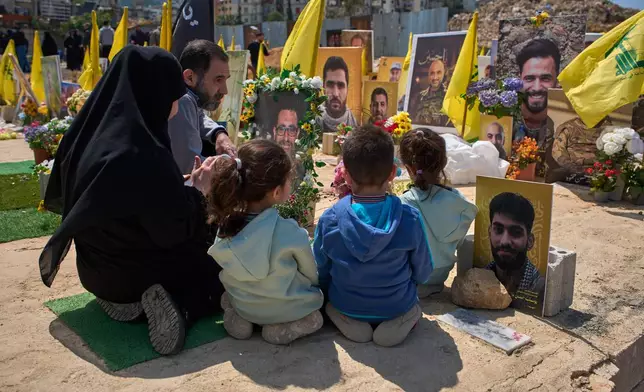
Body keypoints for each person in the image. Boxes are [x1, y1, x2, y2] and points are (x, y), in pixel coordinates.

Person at [38, 46, 225, 356]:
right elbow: (174, 230)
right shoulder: (146, 153)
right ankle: (181, 306)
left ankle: (129, 302)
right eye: (174, 95)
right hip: (134, 277)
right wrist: (199, 191)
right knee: (224, 267)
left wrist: (178, 187)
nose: (176, 106)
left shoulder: (89, 136)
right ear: (156, 92)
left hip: (95, 271)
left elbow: (130, 199)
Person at [313, 125, 432, 347]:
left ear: (346, 175)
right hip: (396, 305)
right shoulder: (409, 218)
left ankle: (347, 318)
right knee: (411, 304)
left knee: (333, 304)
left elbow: (321, 270)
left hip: (347, 303)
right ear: (392, 173)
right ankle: (399, 320)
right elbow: (423, 271)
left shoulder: (330, 219)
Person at [207, 140, 324, 344]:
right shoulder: (290, 231)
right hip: (286, 308)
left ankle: (241, 319)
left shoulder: (226, 226)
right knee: (316, 317)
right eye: (289, 179)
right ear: (277, 192)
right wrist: (314, 287)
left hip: (245, 303)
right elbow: (311, 273)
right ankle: (279, 329)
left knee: (229, 298)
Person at [398, 129, 477, 296]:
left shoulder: (404, 203)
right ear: (444, 163)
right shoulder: (459, 202)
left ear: (408, 169)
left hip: (411, 279)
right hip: (439, 277)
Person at [168, 40, 237, 175]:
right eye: (218, 80)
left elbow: (199, 116)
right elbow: (192, 167)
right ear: (189, 77)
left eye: (225, 80)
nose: (224, 90)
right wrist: (232, 165)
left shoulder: (190, 98)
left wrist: (219, 134)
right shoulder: (183, 101)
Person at [485, 192, 546, 310]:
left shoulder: (540, 289)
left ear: (530, 241)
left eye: (516, 232)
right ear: (489, 233)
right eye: (498, 230)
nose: (505, 241)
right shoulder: (481, 276)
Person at [513, 38, 560, 147]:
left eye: (545, 78)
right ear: (519, 78)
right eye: (529, 78)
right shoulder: (503, 119)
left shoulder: (566, 125)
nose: (537, 88)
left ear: (557, 79)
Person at [316, 56, 358, 132]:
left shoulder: (355, 126)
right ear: (323, 87)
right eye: (330, 85)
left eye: (341, 85)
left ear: (347, 89)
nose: (335, 93)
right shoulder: (311, 124)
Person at [410, 58, 448, 126]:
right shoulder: (418, 97)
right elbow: (411, 119)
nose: (435, 77)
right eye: (432, 73)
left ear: (443, 73)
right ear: (428, 75)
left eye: (438, 72)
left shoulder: (447, 97)